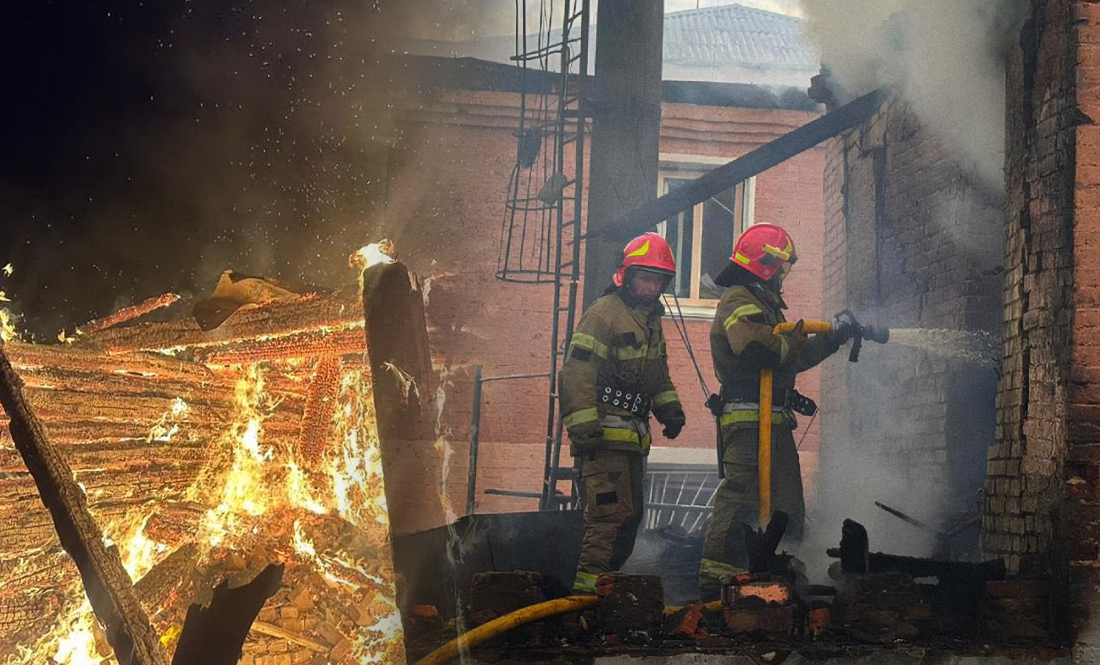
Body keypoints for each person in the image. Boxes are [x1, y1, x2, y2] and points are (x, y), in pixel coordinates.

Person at [698, 223, 852, 589]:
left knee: (787, 504)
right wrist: (794, 341)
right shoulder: (738, 299)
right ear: (765, 264)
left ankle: (779, 576)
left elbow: (790, 358)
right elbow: (757, 349)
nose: (784, 275)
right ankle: (715, 581)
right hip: (749, 423)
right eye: (781, 267)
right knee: (740, 497)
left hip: (775, 422)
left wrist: (833, 339)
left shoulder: (764, 304)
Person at [559, 232, 687, 594]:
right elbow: (576, 373)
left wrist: (670, 409)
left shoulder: (650, 321)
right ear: (626, 276)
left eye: (658, 280)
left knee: (630, 519)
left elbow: (657, 375)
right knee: (608, 519)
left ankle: (606, 594)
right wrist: (584, 429)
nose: (652, 287)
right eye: (645, 278)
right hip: (602, 438)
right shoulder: (604, 314)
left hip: (632, 440)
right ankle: (583, 602)